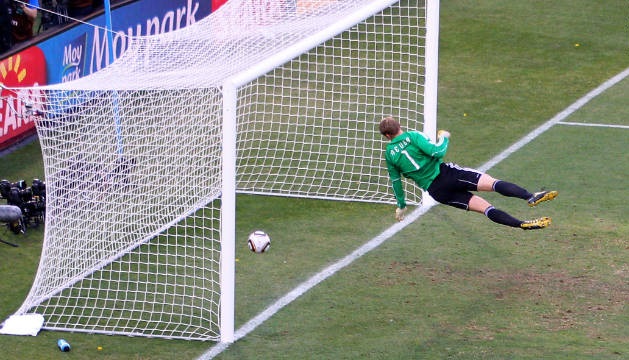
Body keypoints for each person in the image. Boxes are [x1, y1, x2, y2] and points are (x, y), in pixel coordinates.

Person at [379, 116, 558, 230]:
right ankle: (529, 196)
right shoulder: (413, 136)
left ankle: (522, 224)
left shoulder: (389, 155)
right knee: (493, 184)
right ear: (399, 126)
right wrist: (444, 137)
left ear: (387, 136)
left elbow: (396, 182)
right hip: (447, 174)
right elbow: (437, 152)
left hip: (437, 191)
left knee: (486, 208)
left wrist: (401, 206)